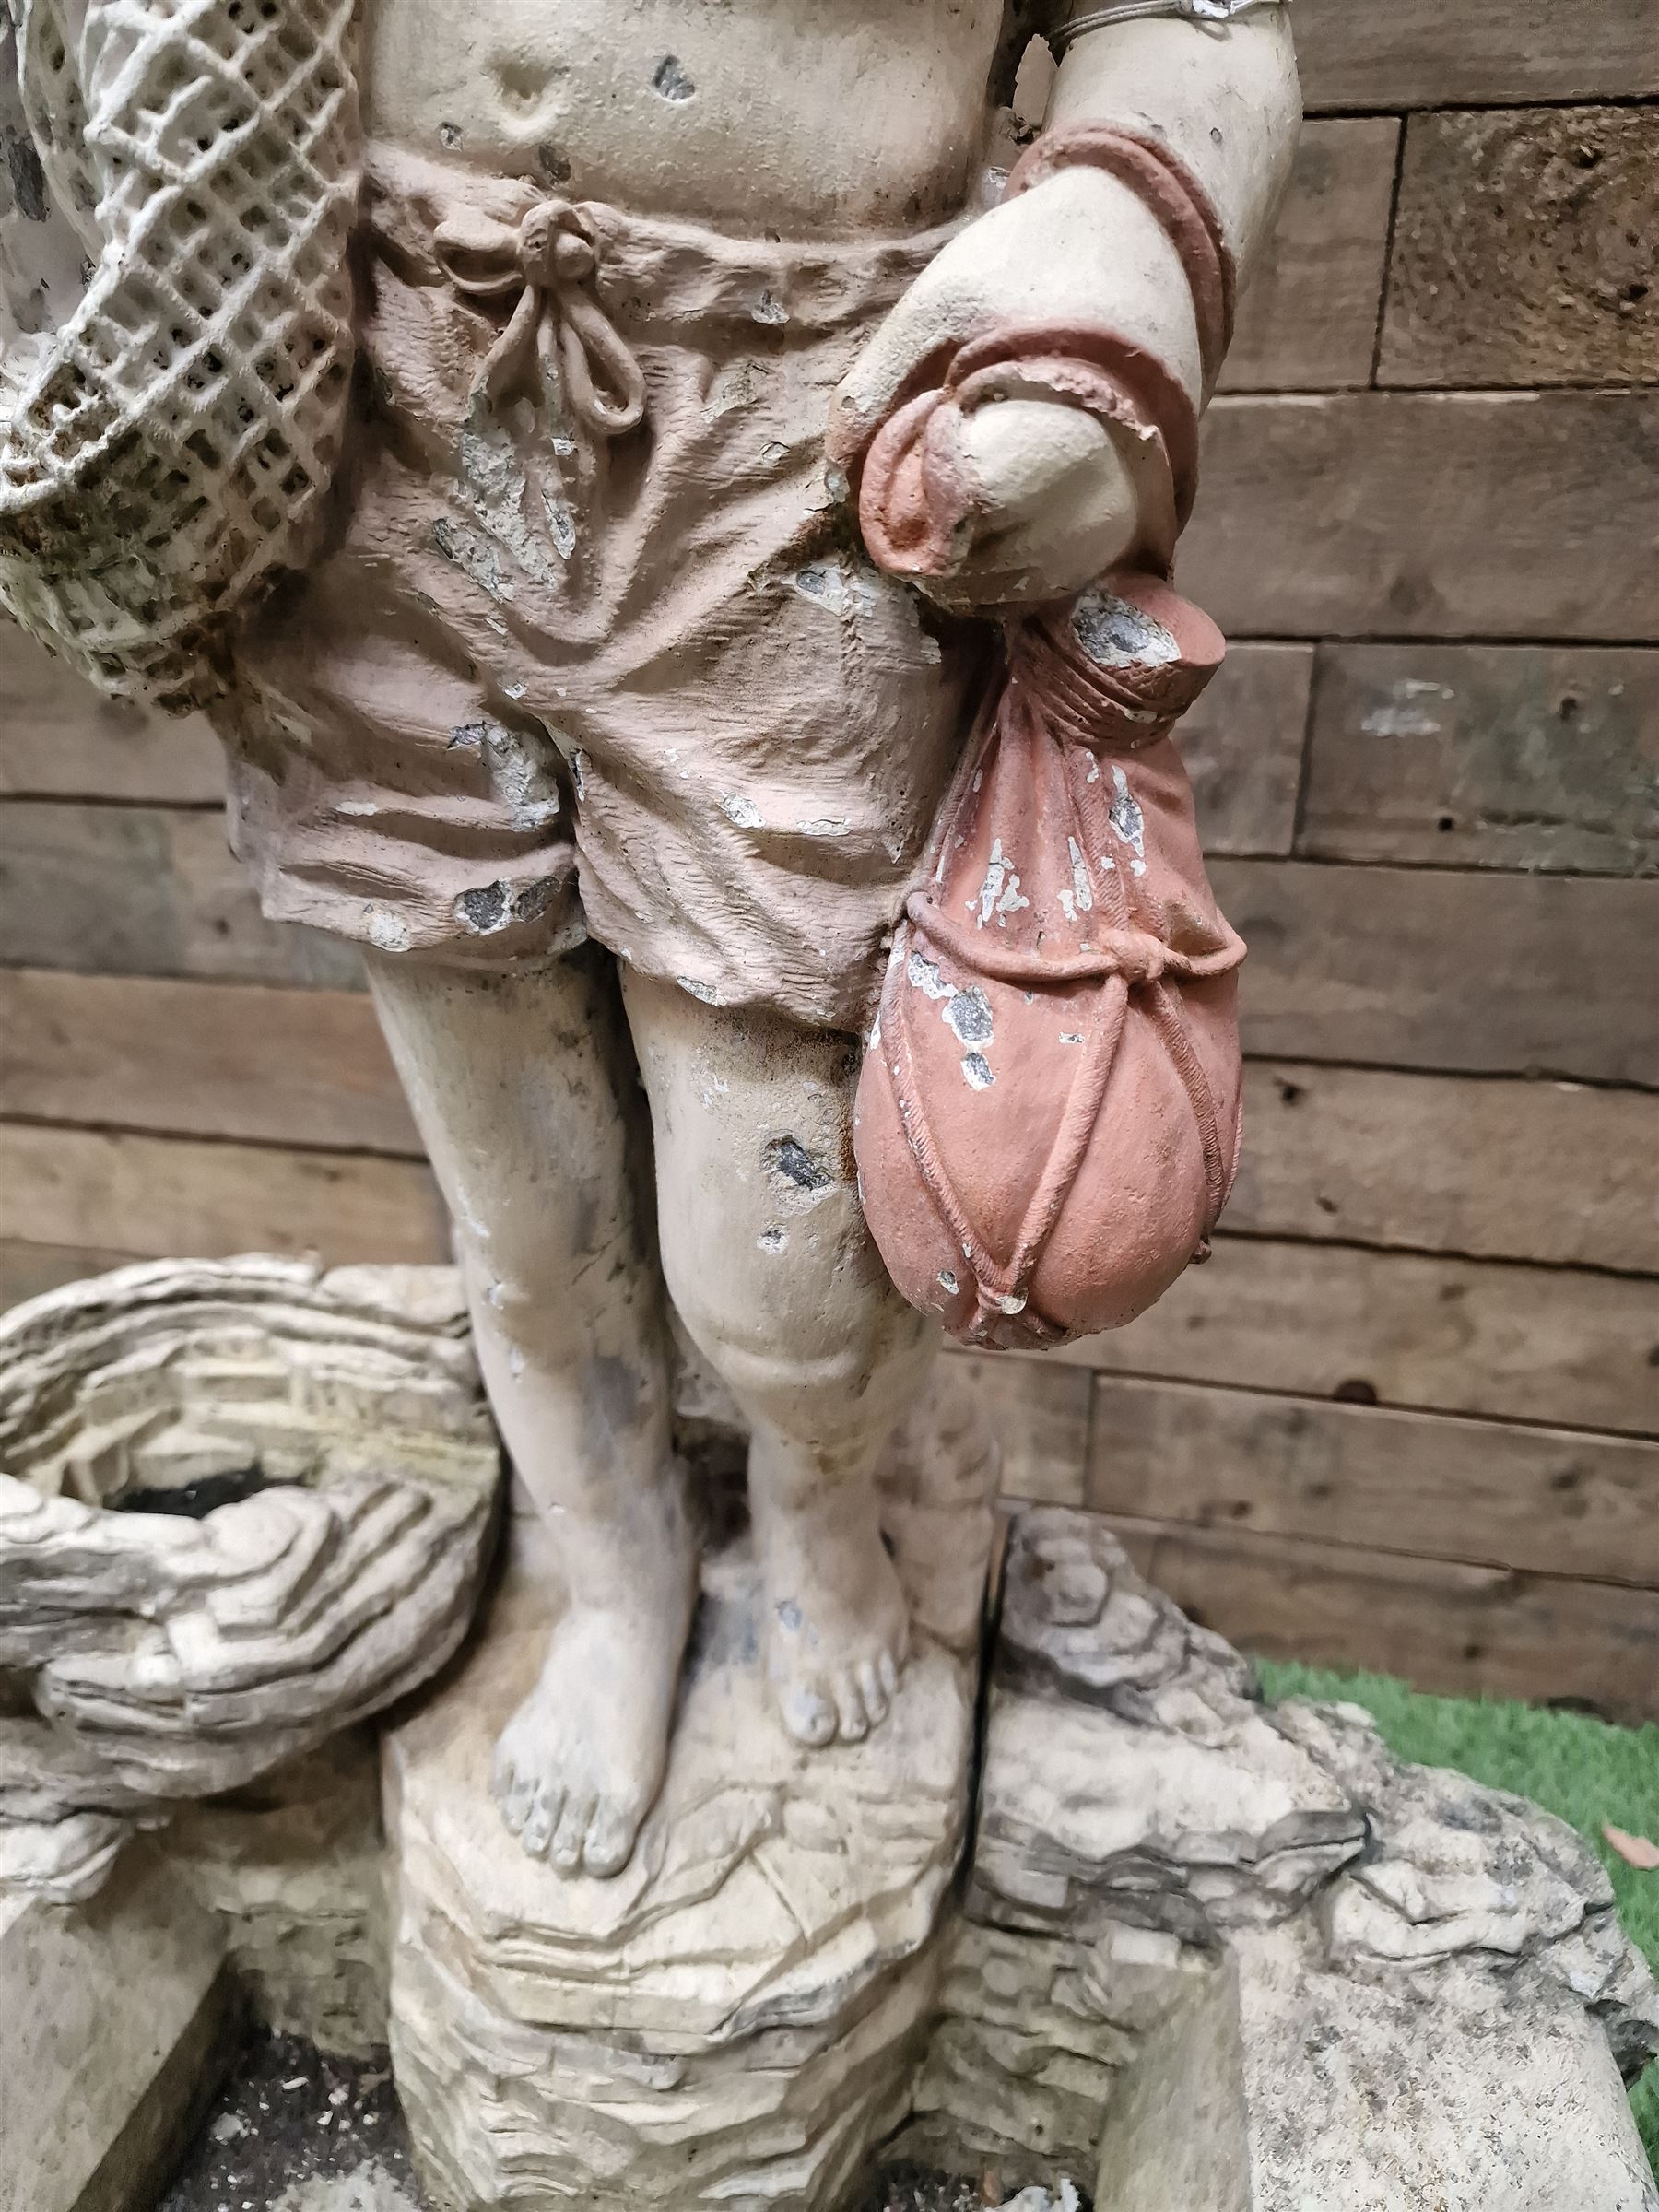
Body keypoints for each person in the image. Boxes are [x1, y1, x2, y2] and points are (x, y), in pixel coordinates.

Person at [209, 0, 1299, 1877]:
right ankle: (618, 1578)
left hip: (805, 457)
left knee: (780, 1254)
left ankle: (818, 1503)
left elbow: (1197, 26)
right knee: (525, 1211)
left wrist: (1125, 240)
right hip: (371, 415)